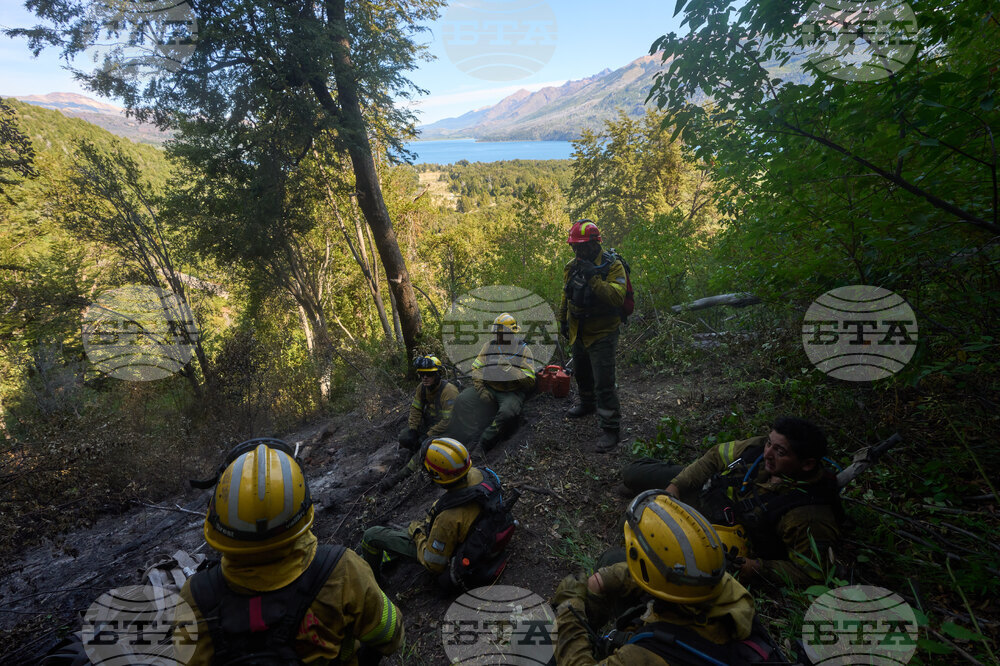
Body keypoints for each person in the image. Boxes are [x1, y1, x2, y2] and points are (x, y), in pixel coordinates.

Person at [179, 439, 403, 666]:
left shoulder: (195, 597)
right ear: (304, 507)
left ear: (217, 519)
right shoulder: (343, 571)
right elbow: (390, 636)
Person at [552, 492, 780, 665]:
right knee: (613, 561)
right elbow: (669, 573)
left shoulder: (643, 656)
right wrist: (606, 577)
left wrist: (568, 610)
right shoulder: (715, 579)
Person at [621, 416, 842, 585]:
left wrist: (757, 568)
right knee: (633, 473)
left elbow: (812, 573)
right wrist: (675, 487)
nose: (767, 454)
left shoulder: (807, 515)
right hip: (710, 493)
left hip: (724, 537)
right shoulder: (759, 449)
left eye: (780, 452)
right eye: (769, 444)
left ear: (807, 464)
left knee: (636, 557)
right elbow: (716, 456)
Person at [361, 438, 491, 585]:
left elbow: (433, 564)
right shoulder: (480, 475)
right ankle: (385, 555)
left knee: (371, 535)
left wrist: (417, 534)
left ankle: (374, 582)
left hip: (447, 548)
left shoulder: (447, 519)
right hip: (475, 533)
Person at [558, 219, 627, 453]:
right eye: (574, 247)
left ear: (595, 244)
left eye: (581, 247)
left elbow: (617, 298)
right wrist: (562, 320)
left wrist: (594, 278)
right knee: (582, 371)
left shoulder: (613, 266)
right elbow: (566, 294)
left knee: (604, 382)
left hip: (602, 332)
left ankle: (610, 427)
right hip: (578, 329)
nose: (577, 251)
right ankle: (587, 403)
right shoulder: (572, 265)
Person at [383, 355, 460, 489]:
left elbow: (449, 421)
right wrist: (413, 429)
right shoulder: (422, 388)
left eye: (429, 374)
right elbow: (415, 409)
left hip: (448, 431)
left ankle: (400, 476)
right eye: (422, 374)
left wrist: (428, 434)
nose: (425, 377)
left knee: (425, 448)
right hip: (430, 426)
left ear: (437, 375)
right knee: (405, 436)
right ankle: (415, 448)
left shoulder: (449, 391)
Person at [470, 312, 536, 452]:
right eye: (497, 334)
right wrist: (481, 389)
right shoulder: (489, 346)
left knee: (507, 412)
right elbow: (476, 368)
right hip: (490, 387)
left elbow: (530, 381)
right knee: (463, 400)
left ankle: (483, 443)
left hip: (511, 392)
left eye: (502, 334)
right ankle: (465, 436)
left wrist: (511, 369)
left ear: (511, 334)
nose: (498, 337)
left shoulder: (523, 350)